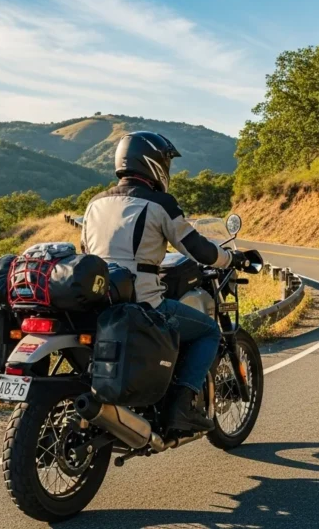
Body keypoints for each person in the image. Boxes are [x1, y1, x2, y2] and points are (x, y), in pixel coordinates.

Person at [80, 131, 245, 433]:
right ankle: (181, 406)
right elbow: (197, 248)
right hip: (143, 304)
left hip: (99, 302)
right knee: (209, 331)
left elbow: (86, 251)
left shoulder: (95, 203)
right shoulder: (160, 203)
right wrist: (230, 259)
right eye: (166, 162)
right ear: (153, 163)